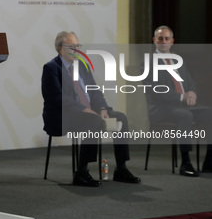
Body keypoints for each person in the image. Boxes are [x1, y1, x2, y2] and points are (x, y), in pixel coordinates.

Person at [41, 31, 141, 187]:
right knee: (93, 121)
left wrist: (102, 108)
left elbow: (95, 91)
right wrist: (84, 109)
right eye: (72, 47)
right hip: (63, 117)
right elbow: (57, 98)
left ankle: (121, 169)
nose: (77, 50)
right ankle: (81, 172)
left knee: (120, 117)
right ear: (60, 49)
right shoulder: (51, 68)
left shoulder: (82, 65)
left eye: (78, 46)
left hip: (91, 112)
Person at [143, 25, 212, 177]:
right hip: (161, 109)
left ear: (172, 41)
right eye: (160, 38)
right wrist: (182, 97)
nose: (163, 41)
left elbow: (190, 82)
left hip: (183, 105)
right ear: (154, 40)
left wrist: (192, 93)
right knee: (185, 116)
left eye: (167, 38)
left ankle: (209, 162)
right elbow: (157, 91)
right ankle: (185, 163)